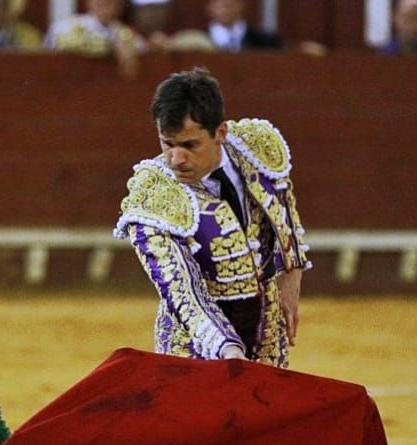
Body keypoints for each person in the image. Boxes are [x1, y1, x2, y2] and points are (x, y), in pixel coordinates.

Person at [114, 67, 310, 367]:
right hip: (195, 343)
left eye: (190, 145)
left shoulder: (255, 147)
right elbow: (182, 290)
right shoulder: (153, 195)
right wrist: (225, 347)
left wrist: (292, 270)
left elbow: (282, 202)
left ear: (220, 132)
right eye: (167, 143)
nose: (176, 159)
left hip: (267, 326)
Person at [46, 0, 138, 74]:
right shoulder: (70, 25)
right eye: (102, 1)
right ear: (89, 1)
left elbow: (141, 48)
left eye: (113, 2)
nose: (107, 8)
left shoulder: (123, 31)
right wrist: (109, 46)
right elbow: (64, 43)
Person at [126, 0, 213, 54]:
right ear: (135, 10)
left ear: (168, 10)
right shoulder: (123, 34)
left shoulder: (182, 36)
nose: (152, 13)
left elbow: (207, 46)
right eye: (146, 8)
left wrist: (171, 45)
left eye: (158, 8)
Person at [204, 0, 281, 51]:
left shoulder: (267, 42)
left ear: (242, 4)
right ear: (209, 6)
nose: (225, 7)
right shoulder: (197, 41)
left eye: (231, 1)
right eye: (219, 2)